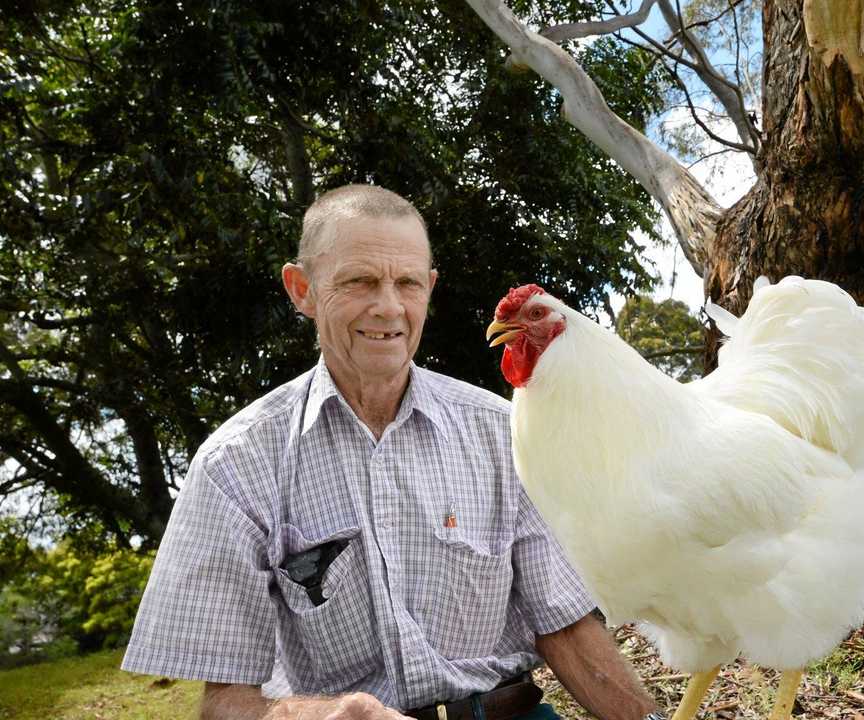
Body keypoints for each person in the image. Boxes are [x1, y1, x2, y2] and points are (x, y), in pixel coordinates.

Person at [122, 185, 663, 720]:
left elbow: (563, 627)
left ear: (428, 288)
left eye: (407, 283)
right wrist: (317, 715)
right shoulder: (236, 466)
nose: (388, 307)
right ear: (302, 289)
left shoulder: (501, 432)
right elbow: (224, 704)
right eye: (359, 281)